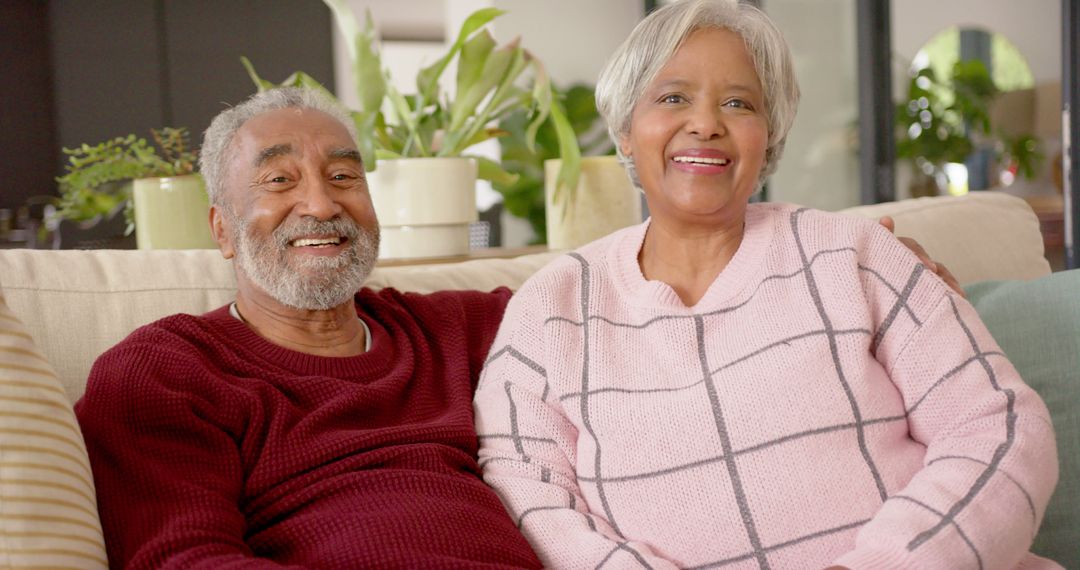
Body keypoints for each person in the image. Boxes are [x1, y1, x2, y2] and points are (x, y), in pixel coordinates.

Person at [473, 1, 1059, 569]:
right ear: (626, 130)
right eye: (673, 97)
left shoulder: (855, 255)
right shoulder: (550, 308)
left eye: (738, 102)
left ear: (769, 137)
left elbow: (999, 425)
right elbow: (530, 493)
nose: (705, 123)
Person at [74, 87, 542, 568]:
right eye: (279, 180)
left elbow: (602, 306)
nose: (321, 205)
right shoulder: (163, 371)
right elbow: (183, 558)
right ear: (223, 231)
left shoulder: (457, 329)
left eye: (343, 176)